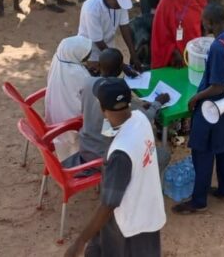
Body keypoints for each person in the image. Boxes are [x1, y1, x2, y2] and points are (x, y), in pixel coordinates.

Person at [64, 79, 166, 257]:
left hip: (129, 226)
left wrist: (79, 242)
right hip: (148, 210)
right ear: (129, 102)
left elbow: (109, 204)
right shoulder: (140, 118)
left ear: (102, 109)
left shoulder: (120, 153)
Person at [173, 2, 224, 214]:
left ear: (210, 23)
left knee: (202, 151)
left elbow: (218, 85)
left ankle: (198, 201)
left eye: (204, 21)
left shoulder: (217, 48)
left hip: (212, 108)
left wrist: (196, 97)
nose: (202, 23)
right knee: (223, 147)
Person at [65, 48, 168, 169]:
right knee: (163, 155)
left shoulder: (88, 82)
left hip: (86, 146)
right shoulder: (116, 94)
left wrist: (137, 105)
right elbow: (146, 117)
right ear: (120, 69)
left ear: (99, 66)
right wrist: (158, 103)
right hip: (104, 156)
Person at [45, 35, 94, 160]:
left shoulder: (58, 60)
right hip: (73, 124)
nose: (87, 60)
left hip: (56, 121)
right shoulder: (80, 74)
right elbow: (91, 99)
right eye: (85, 57)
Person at [78, 0, 140, 67]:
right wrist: (120, 65)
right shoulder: (91, 9)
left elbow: (124, 26)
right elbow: (97, 40)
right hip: (91, 50)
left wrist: (133, 54)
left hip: (108, 47)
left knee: (110, 71)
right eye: (119, 4)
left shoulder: (118, 2)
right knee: (97, 73)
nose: (121, 7)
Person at [150, 0, 206, 69]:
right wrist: (173, 51)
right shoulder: (165, 4)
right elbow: (160, 33)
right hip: (175, 54)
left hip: (195, 49)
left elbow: (205, 23)